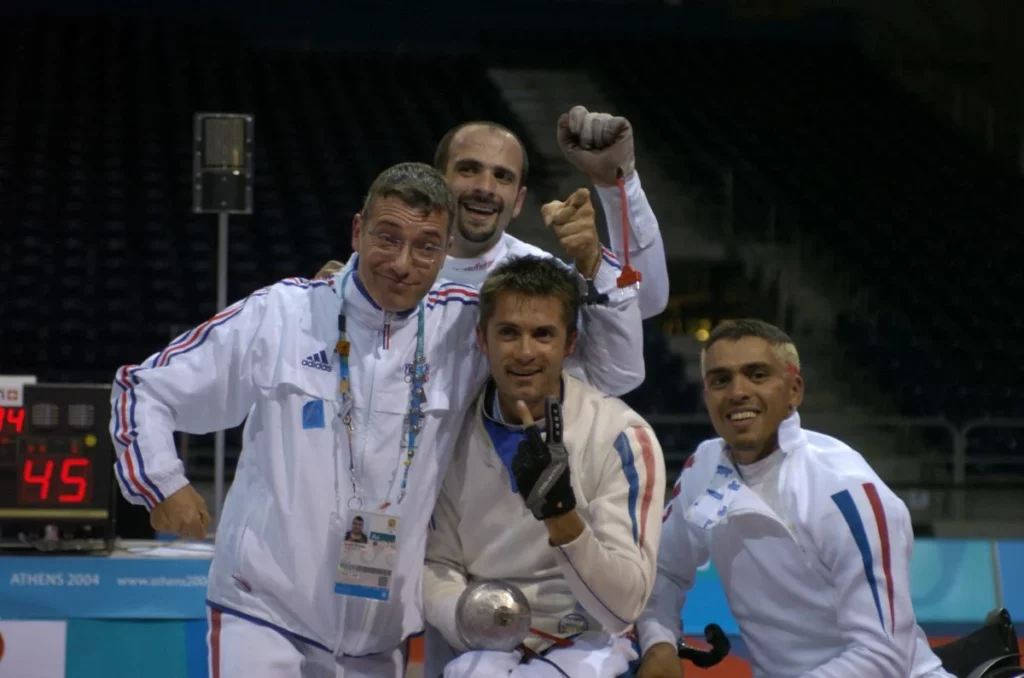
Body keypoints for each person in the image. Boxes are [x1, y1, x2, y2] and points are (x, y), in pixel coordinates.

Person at [109, 162, 640, 678]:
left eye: (426, 247)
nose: (403, 263)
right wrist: (160, 482)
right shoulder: (282, 313)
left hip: (379, 634)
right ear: (358, 231)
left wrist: (596, 263)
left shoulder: (466, 324)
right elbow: (142, 387)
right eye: (387, 238)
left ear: (447, 249)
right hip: (264, 609)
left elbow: (610, 368)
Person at [634, 319, 954, 678]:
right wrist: (658, 642)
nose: (738, 392)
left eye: (757, 375)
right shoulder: (703, 468)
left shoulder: (846, 492)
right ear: (706, 394)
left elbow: (884, 656)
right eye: (721, 379)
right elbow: (661, 571)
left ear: (794, 391)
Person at [422, 256, 666, 678]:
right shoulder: (448, 433)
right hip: (482, 636)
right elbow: (436, 563)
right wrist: (473, 620)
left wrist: (562, 518)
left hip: (587, 639)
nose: (525, 352)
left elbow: (624, 606)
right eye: (509, 333)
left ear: (570, 343)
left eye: (543, 335)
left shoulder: (621, 435)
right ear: (483, 339)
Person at [318, 106, 671, 396]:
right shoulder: (384, 269)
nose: (485, 188)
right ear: (438, 180)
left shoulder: (540, 278)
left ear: (518, 201)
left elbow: (647, 303)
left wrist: (616, 186)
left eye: (502, 177)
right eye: (469, 170)